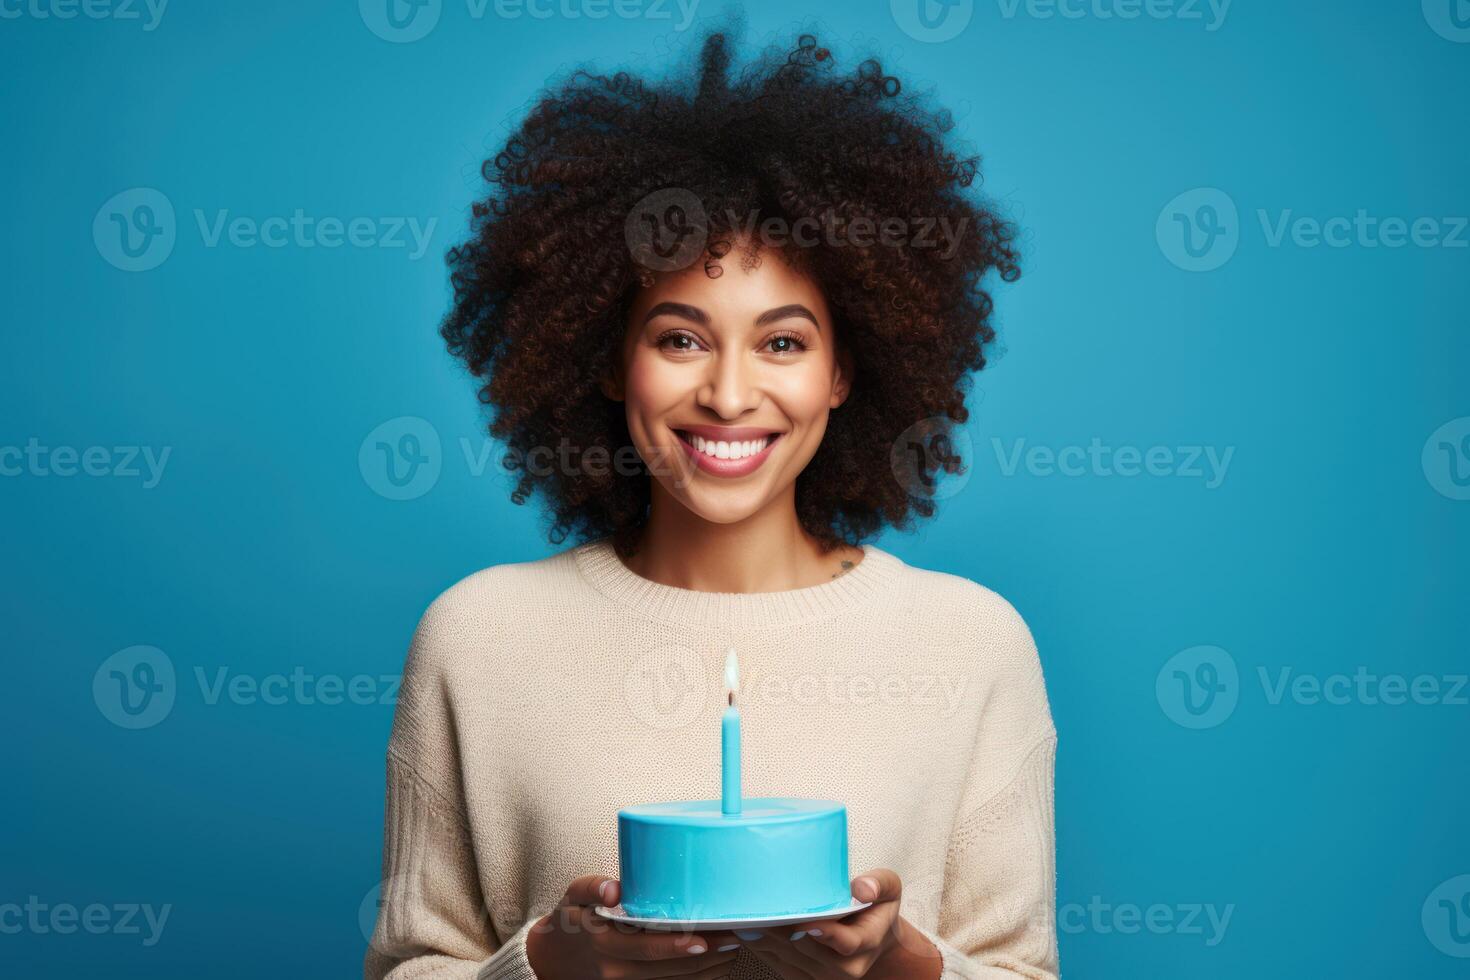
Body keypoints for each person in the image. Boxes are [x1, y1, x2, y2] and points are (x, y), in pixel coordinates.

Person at [366, 28, 1057, 980]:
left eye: (782, 344)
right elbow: (407, 968)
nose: (730, 397)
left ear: (846, 370)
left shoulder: (974, 643)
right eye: (682, 339)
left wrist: (900, 960)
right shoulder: (478, 636)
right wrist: (549, 961)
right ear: (609, 359)